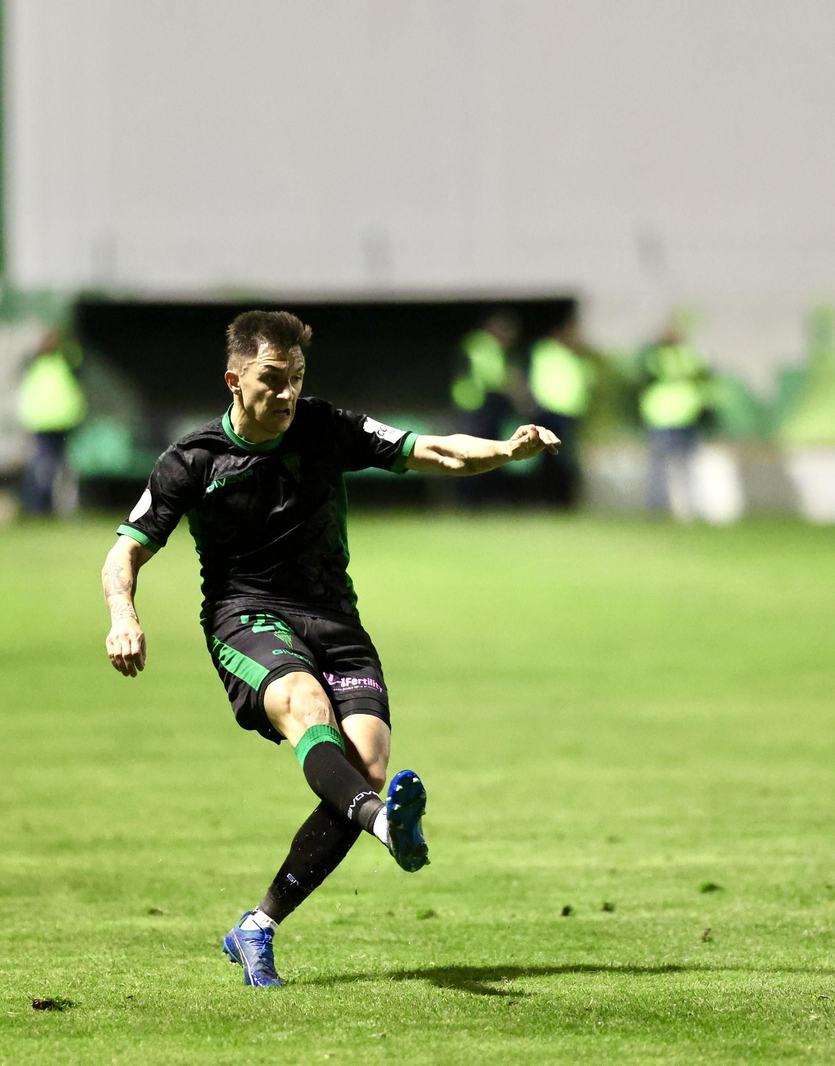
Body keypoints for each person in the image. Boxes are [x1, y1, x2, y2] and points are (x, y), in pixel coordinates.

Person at [100, 310, 561, 987]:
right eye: (272, 380)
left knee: (367, 767)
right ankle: (384, 829)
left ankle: (257, 926)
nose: (287, 394)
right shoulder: (192, 460)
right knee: (305, 705)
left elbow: (433, 450)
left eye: (297, 380)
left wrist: (507, 452)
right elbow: (125, 551)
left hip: (334, 619)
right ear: (235, 379)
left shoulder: (325, 427)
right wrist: (122, 615)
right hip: (246, 620)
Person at [638, 325, 711, 519]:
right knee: (661, 467)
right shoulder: (654, 357)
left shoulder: (687, 356)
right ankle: (658, 509)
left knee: (686, 467)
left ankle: (690, 509)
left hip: (684, 416)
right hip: (661, 418)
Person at [450, 310, 520, 506]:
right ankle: (469, 499)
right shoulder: (483, 344)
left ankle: (474, 499)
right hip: (473, 405)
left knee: (479, 453)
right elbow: (494, 377)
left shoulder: (481, 344)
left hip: (476, 405)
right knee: (474, 452)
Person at [16, 329, 87, 515]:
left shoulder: (40, 364)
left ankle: (46, 507)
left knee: (50, 465)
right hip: (54, 421)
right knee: (48, 466)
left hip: (51, 421)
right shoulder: (58, 363)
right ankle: (39, 506)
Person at [526, 318, 594, 506]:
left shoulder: (575, 357)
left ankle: (563, 500)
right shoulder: (546, 351)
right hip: (550, 413)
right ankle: (546, 499)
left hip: (570, 415)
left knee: (566, 459)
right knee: (548, 459)